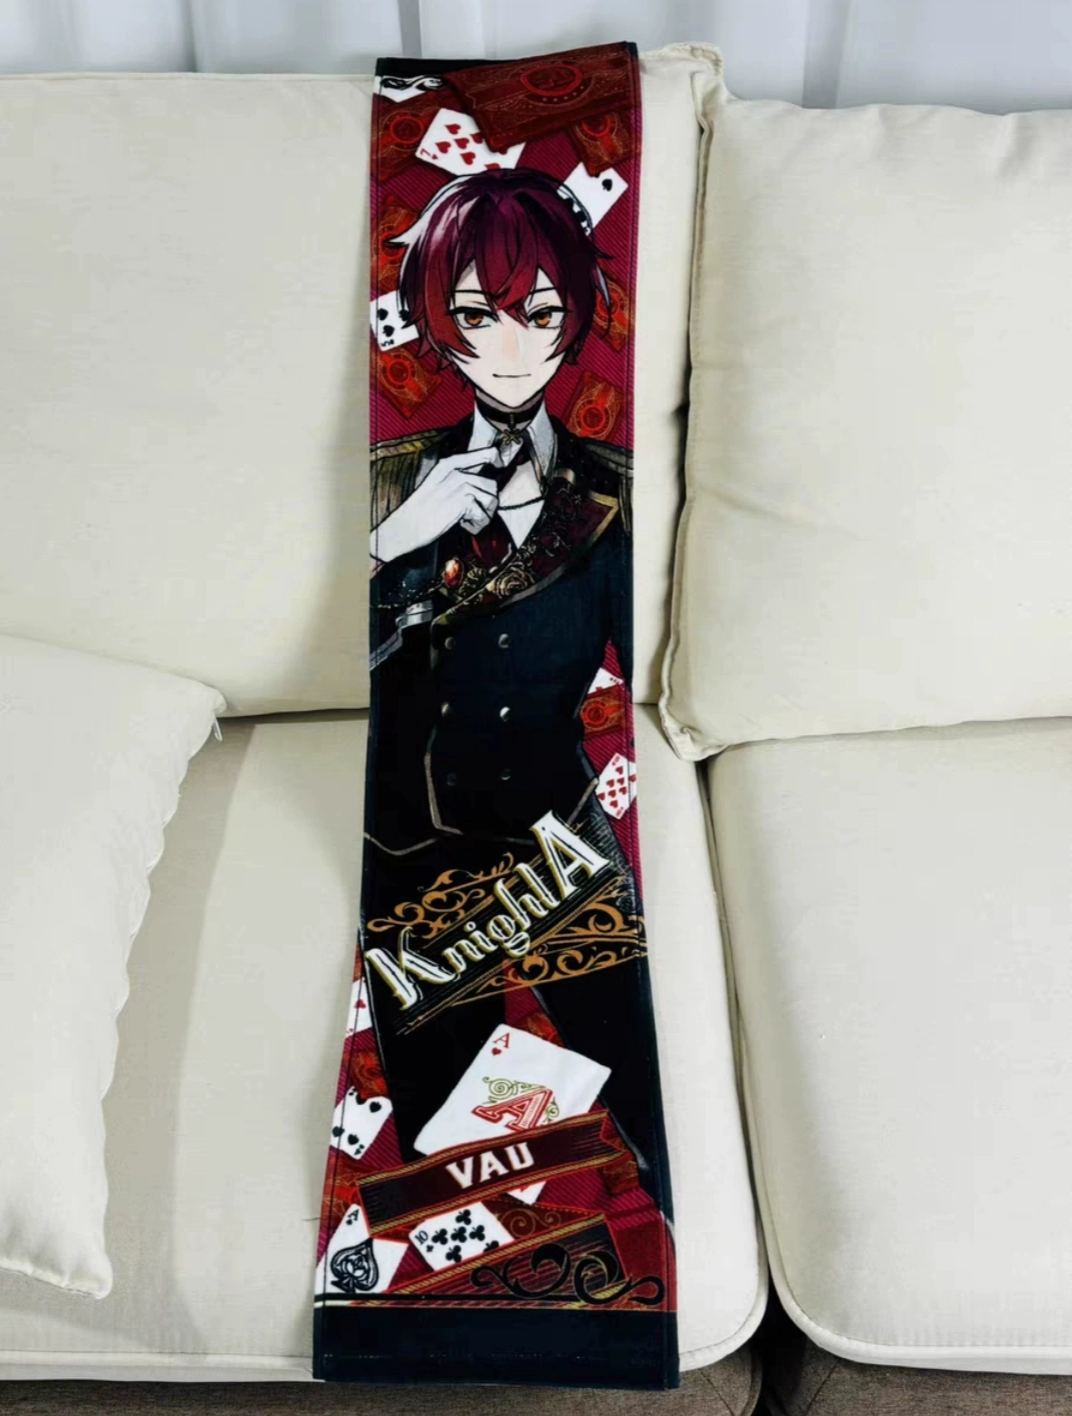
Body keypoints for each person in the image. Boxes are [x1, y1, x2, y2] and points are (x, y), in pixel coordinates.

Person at [363, 167, 658, 1183]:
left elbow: (651, 666)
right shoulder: (388, 484)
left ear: (576, 320)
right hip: (409, 849)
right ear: (433, 322)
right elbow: (334, 659)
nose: (510, 349)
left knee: (639, 1092)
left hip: (557, 834)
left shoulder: (615, 493)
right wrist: (391, 543)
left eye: (539, 316)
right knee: (446, 1140)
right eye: (476, 316)